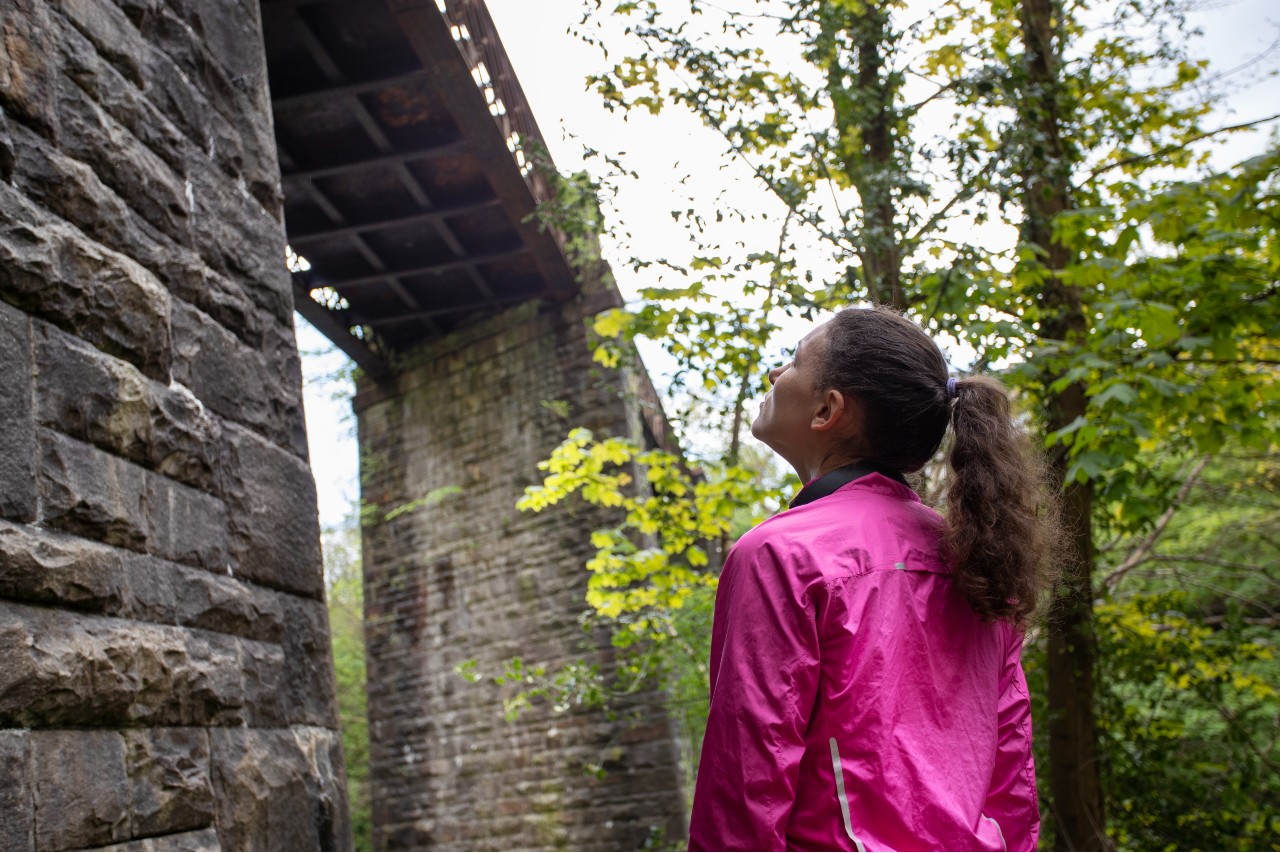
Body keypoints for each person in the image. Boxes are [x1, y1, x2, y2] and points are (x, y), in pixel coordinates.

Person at [688, 307, 1058, 852]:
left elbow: (748, 781)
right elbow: (1012, 781)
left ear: (827, 409)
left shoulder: (781, 554)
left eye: (792, 362)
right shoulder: (981, 557)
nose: (774, 376)